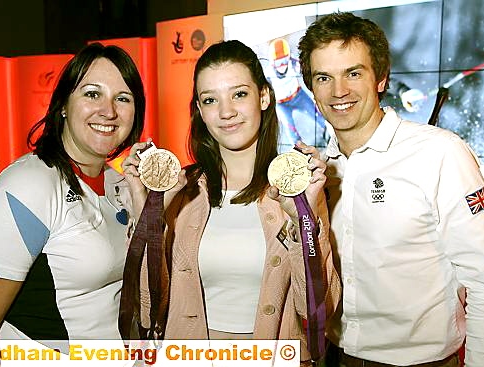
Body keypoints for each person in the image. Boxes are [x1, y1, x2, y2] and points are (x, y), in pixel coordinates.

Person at [120, 40, 341, 366]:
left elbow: (319, 308)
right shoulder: (181, 192)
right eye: (211, 100)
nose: (226, 112)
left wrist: (304, 220)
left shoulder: (295, 190)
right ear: (199, 110)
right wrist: (146, 212)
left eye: (239, 94)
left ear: (263, 96)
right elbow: (148, 306)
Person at [298, 11, 484, 367]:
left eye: (353, 73)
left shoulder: (439, 153)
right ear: (311, 88)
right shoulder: (316, 172)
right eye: (323, 77)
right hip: (333, 356)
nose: (338, 91)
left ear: (381, 78)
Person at [0, 42, 145, 342]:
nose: (109, 111)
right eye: (92, 94)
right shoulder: (24, 188)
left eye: (123, 98)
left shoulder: (119, 184)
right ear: (63, 105)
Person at [264, 38, 327, 149]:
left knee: (316, 113)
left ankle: (328, 134)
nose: (282, 65)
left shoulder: (294, 63)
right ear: (272, 62)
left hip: (298, 96)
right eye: (278, 62)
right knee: (290, 129)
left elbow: (309, 74)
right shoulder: (268, 74)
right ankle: (299, 149)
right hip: (282, 104)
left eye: (284, 60)